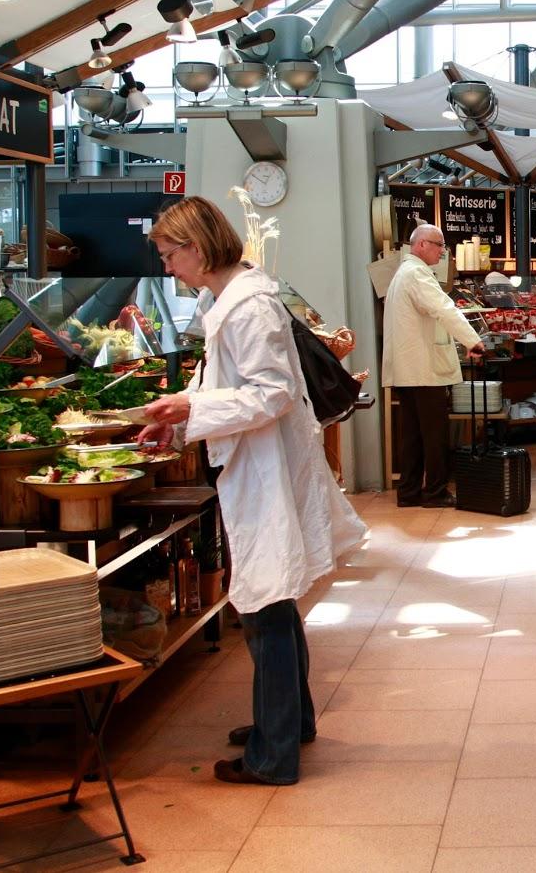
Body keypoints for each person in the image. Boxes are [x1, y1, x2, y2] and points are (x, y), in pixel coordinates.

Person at [140, 196, 367, 786]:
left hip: (268, 468)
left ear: (196, 246)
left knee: (265, 603)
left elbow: (272, 394)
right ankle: (292, 721)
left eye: (169, 255)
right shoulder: (233, 298)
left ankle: (274, 755)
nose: (168, 268)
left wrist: (190, 407)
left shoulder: (247, 306)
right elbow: (223, 381)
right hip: (259, 463)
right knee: (275, 597)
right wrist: (178, 417)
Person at [383, 224, 484, 508]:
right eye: (438, 245)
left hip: (409, 370)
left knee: (412, 436)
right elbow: (444, 308)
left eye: (443, 246)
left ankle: (409, 491)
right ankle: (435, 492)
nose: (443, 251)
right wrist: (472, 341)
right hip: (424, 370)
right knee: (434, 435)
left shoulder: (405, 273)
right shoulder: (416, 274)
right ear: (421, 245)